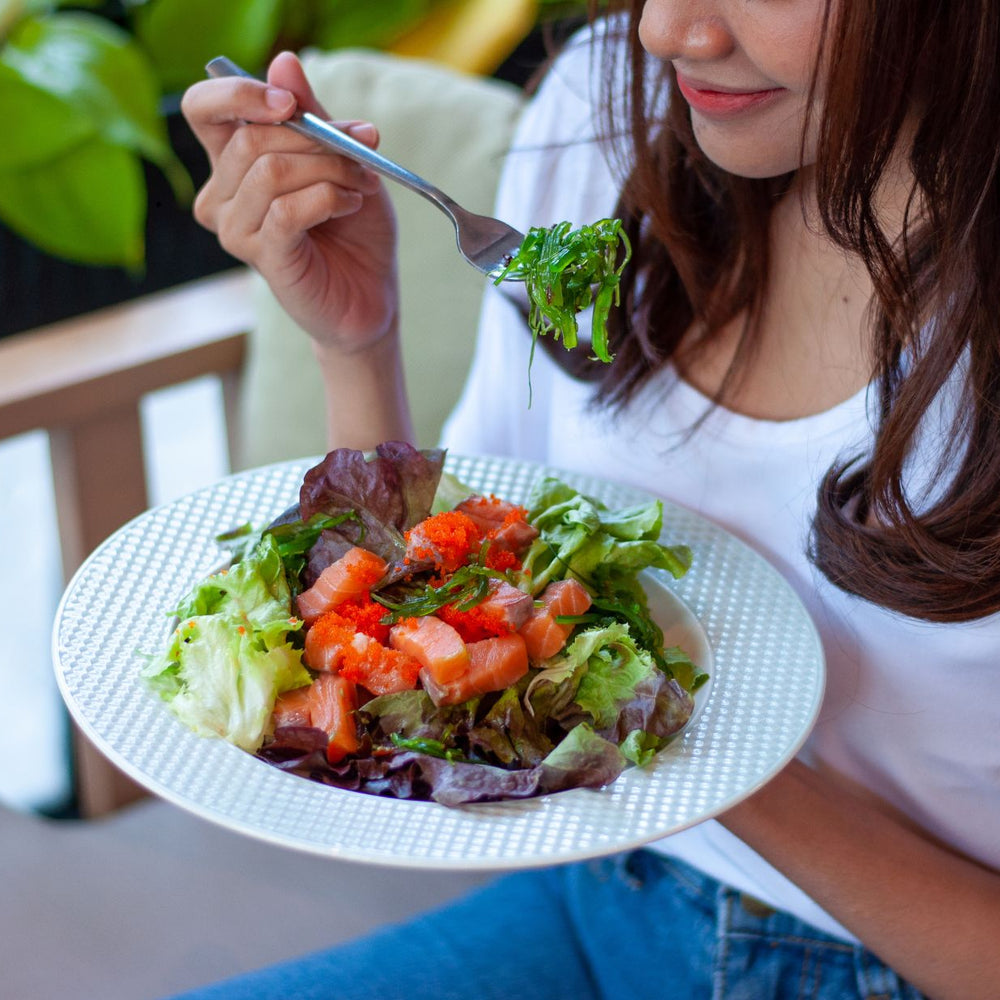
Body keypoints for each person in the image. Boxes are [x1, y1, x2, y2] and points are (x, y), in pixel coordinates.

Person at [176, 1, 999, 997]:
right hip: (602, 891)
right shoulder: (605, 109)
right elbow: (451, 578)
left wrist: (673, 731)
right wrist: (356, 342)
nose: (667, 30)